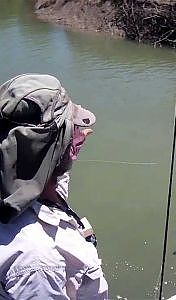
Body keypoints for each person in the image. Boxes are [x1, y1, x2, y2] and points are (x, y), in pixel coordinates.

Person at [0, 74, 108, 299]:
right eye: (72, 136)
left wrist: (70, 145)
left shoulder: (33, 182)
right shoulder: (36, 260)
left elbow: (55, 171)